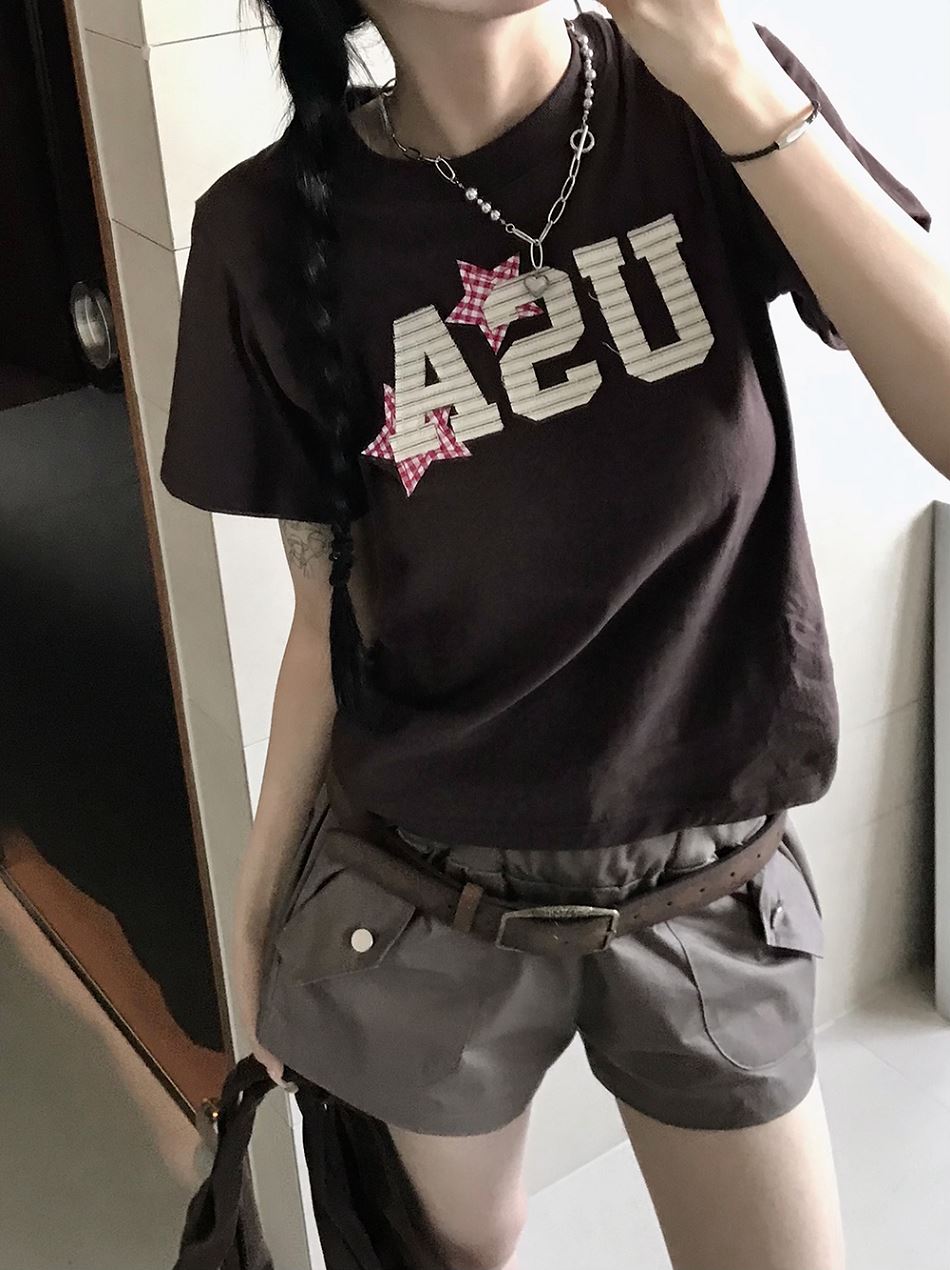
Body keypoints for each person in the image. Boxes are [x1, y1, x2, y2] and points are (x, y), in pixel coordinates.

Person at [159, 1, 943, 1266]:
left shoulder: (689, 98)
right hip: (424, 890)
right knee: (457, 1247)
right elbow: (325, 618)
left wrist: (725, 73)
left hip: (703, 875)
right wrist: (255, 909)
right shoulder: (264, 230)